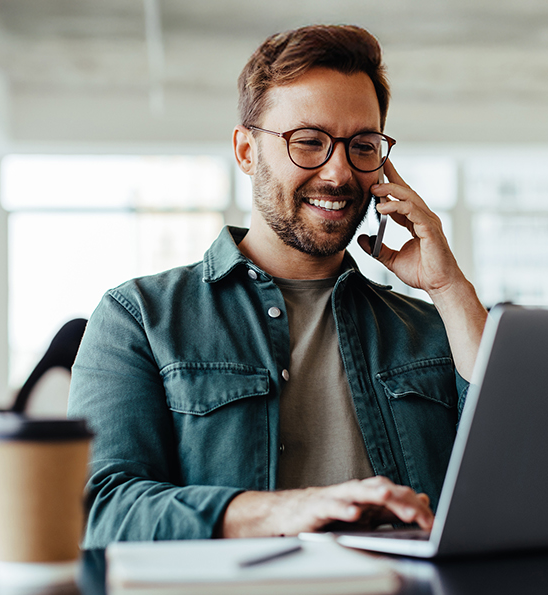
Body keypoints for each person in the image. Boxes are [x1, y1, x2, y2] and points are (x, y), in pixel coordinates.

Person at [67, 24, 488, 544]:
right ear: (246, 151)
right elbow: (98, 509)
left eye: (362, 145)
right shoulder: (140, 318)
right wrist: (284, 511)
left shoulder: (431, 327)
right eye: (308, 142)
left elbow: (518, 474)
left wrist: (450, 289)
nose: (338, 173)